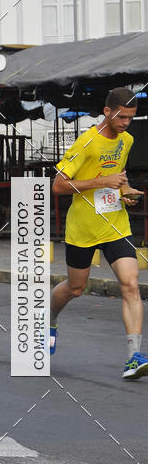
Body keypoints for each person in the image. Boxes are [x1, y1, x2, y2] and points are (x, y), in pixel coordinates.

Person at [50, 86, 148, 379]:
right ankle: (49, 318)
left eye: (131, 118)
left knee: (130, 283)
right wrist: (100, 180)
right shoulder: (86, 142)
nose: (126, 124)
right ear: (107, 111)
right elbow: (58, 185)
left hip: (115, 223)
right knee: (76, 288)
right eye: (122, 117)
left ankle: (134, 357)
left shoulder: (127, 140)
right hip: (83, 227)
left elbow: (118, 180)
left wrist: (128, 192)